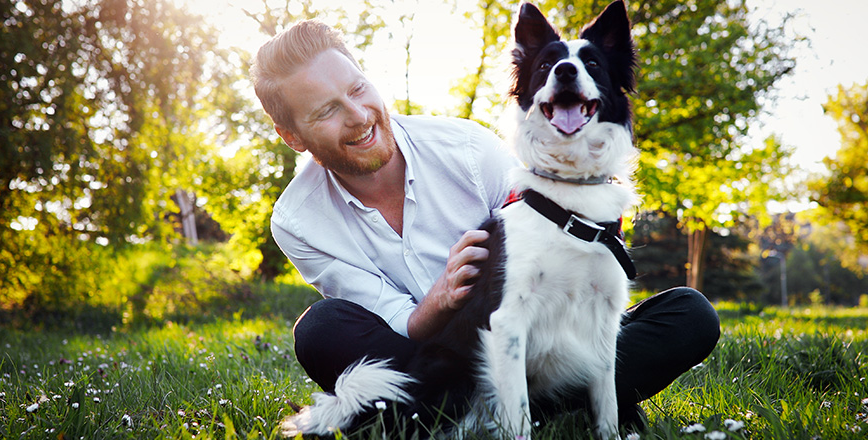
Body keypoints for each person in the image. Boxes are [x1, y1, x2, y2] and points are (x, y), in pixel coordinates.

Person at [250, 19, 720, 430]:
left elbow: (571, 253)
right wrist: (438, 300)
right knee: (321, 329)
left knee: (689, 314)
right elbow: (390, 317)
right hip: (433, 360)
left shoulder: (471, 150)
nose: (358, 116)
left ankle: (436, 417)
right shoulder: (299, 221)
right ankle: (524, 408)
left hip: (543, 345)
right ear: (291, 136)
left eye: (356, 89)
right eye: (326, 110)